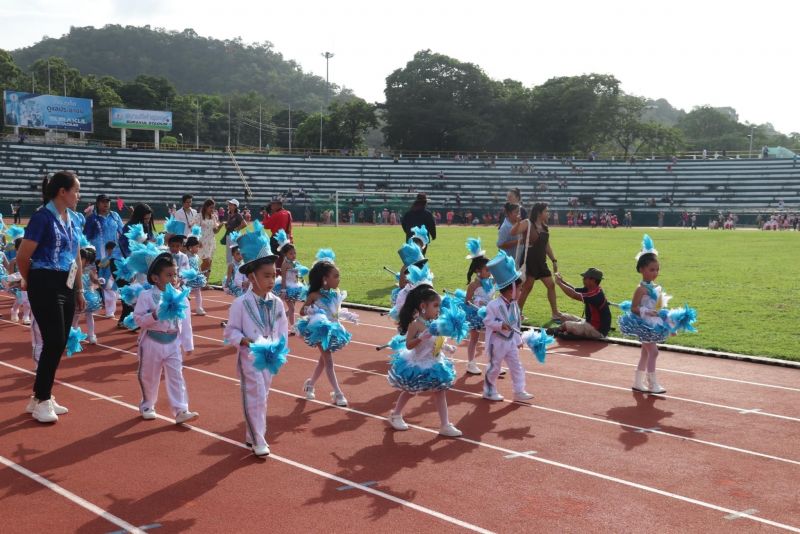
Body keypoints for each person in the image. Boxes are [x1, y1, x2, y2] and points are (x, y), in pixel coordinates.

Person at [16, 171, 85, 423]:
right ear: (62, 192)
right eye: (76, 190)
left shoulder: (75, 219)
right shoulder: (41, 217)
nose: (79, 195)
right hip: (44, 281)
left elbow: (75, 254)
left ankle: (39, 396)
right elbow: (23, 256)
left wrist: (78, 289)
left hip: (66, 282)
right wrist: (29, 280)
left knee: (61, 339)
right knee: (53, 339)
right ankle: (43, 399)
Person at [224, 224, 289, 457]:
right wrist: (243, 341)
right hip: (249, 358)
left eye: (274, 275)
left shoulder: (277, 303)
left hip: (269, 358)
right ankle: (259, 439)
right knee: (256, 395)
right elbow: (230, 331)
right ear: (251, 277)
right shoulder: (240, 304)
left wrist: (280, 349)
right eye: (267, 275)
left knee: (264, 396)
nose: (272, 280)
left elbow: (282, 329)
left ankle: (252, 435)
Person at [618, 235, 696, 394]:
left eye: (657, 269)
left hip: (654, 323)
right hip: (644, 324)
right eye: (651, 269)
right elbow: (634, 308)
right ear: (641, 269)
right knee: (654, 352)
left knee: (645, 353)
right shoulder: (640, 289)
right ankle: (652, 384)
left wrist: (670, 325)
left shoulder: (656, 287)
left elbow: (661, 309)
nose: (655, 273)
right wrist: (647, 311)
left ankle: (638, 382)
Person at [386, 284, 462, 437]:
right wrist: (420, 338)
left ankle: (445, 424)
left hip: (434, 362)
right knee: (410, 391)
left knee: (440, 392)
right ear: (423, 306)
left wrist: (447, 348)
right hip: (418, 362)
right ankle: (395, 414)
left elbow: (436, 341)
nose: (438, 309)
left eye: (439, 306)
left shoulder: (435, 324)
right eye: (435, 306)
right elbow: (408, 344)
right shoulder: (416, 324)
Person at [133, 251, 199, 424]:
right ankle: (147, 404)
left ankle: (181, 410)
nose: (173, 278)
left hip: (173, 343)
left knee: (177, 376)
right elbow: (139, 319)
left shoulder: (182, 298)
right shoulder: (146, 296)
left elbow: (186, 323)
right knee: (149, 376)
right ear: (155, 278)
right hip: (151, 343)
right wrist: (154, 315)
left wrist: (188, 344)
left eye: (175, 274)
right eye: (168, 275)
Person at [296, 249, 358, 407]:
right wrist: (313, 311)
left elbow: (335, 312)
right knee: (328, 361)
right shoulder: (314, 295)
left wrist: (346, 315)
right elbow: (302, 311)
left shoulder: (336, 293)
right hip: (320, 330)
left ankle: (310, 384)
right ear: (325, 279)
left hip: (334, 329)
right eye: (335, 276)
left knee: (323, 361)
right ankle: (338, 393)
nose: (339, 279)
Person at [482, 251, 534, 402]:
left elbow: (516, 324)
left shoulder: (515, 305)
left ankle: (519, 390)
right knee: (494, 368)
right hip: (496, 342)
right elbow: (487, 321)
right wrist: (500, 325)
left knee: (516, 366)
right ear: (511, 289)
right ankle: (489, 391)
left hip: (510, 341)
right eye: (519, 289)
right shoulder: (494, 305)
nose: (521, 292)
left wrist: (518, 340)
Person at [511, 202, 562, 321]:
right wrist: (518, 222)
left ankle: (555, 313)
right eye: (546, 211)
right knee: (528, 287)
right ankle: (517, 313)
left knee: (551, 285)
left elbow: (546, 246)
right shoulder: (527, 223)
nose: (548, 213)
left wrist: (553, 260)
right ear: (539, 213)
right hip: (530, 260)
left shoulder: (544, 227)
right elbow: (513, 232)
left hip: (541, 261)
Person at [118, 203, 155, 328]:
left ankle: (141, 320)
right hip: (134, 265)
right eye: (145, 219)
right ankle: (130, 319)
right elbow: (124, 245)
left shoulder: (147, 226)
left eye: (149, 219)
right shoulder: (128, 227)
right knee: (135, 293)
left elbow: (150, 240)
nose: (147, 221)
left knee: (147, 291)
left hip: (147, 264)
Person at [551, 268, 611, 340]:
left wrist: (559, 283)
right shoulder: (591, 289)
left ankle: (557, 331)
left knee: (566, 325)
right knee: (563, 317)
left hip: (597, 330)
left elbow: (574, 295)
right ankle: (573, 333)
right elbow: (574, 289)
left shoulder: (595, 295)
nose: (583, 279)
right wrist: (562, 281)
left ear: (593, 280)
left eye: (585, 278)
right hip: (589, 323)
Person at [464, 237, 493, 375]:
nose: (490, 272)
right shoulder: (474, 285)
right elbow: (467, 301)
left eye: (490, 269)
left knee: (492, 339)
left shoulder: (492, 281)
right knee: (474, 338)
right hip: (476, 315)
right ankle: (470, 363)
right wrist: (478, 304)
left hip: (490, 313)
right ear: (478, 271)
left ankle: (493, 364)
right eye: (487, 270)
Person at [273, 229, 308, 332]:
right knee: (292, 309)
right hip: (287, 287)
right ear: (285, 254)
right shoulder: (285, 265)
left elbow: (299, 274)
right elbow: (283, 278)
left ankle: (288, 325)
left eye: (294, 253)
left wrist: (303, 283)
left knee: (292, 309)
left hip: (296, 286)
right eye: (291, 254)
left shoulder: (295, 262)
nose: (294, 255)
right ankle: (281, 322)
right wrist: (283, 291)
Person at [72, 245, 103, 344]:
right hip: (77, 296)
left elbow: (93, 279)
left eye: (89, 261)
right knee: (75, 317)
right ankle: (74, 337)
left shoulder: (88, 270)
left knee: (89, 315)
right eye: (86, 260)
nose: (87, 263)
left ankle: (91, 336)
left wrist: (98, 281)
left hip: (89, 296)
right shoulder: (74, 269)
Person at [83, 193, 124, 264]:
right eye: (103, 202)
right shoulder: (92, 218)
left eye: (107, 202)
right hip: (98, 256)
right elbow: (86, 238)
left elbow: (123, 232)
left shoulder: (115, 216)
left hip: (114, 255)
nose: (106, 204)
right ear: (98, 204)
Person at [197, 199, 223, 278]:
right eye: (211, 208)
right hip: (202, 241)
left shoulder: (214, 216)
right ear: (206, 207)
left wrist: (220, 226)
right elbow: (195, 229)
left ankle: (205, 283)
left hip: (211, 241)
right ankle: (197, 277)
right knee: (206, 262)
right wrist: (197, 240)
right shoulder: (199, 216)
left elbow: (215, 231)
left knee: (209, 263)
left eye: (213, 208)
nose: (212, 210)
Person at [183, 232, 208, 316]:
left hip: (196, 277)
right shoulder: (186, 257)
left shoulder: (196, 257)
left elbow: (198, 267)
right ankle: (183, 308)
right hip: (187, 279)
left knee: (198, 292)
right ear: (190, 247)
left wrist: (200, 272)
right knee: (185, 293)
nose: (198, 248)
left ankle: (199, 307)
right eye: (196, 247)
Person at [222, 199, 247, 265]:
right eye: (229, 204)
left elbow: (244, 224)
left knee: (236, 252)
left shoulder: (238, 215)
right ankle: (230, 269)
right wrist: (226, 225)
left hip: (235, 237)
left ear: (235, 206)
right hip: (228, 235)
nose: (229, 206)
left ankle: (237, 268)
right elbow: (228, 227)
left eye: (231, 204)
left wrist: (238, 229)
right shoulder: (229, 215)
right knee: (229, 254)